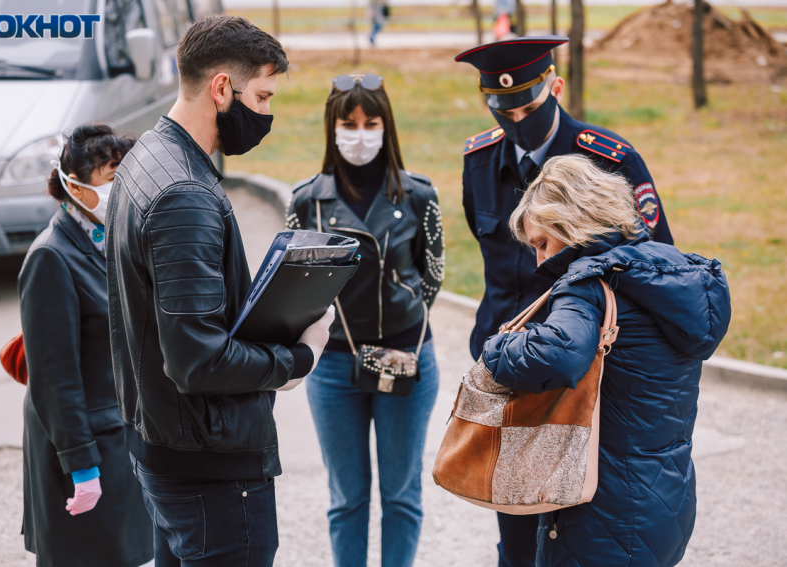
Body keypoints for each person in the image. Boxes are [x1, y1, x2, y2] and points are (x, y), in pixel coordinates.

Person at [106, 15, 334, 566]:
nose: (266, 113)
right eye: (262, 95)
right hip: (208, 467)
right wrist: (297, 358)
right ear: (221, 88)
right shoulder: (184, 192)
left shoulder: (143, 158)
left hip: (162, 444)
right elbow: (197, 360)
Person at [454, 35, 675, 567]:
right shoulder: (481, 160)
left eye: (529, 106)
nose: (517, 120)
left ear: (555, 86)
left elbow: (656, 263)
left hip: (586, 376)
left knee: (577, 529)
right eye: (503, 109)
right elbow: (496, 273)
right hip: (512, 371)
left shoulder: (608, 162)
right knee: (515, 524)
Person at [482, 154, 730, 566]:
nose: (540, 260)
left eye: (542, 243)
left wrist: (497, 347)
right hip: (666, 500)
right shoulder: (668, 273)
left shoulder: (588, 286)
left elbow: (557, 354)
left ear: (569, 219)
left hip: (602, 512)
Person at [286, 73, 444, 567]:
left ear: (385, 126)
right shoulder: (306, 201)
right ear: (331, 128)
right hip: (332, 367)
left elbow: (433, 276)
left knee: (401, 495)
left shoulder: (419, 196)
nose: (359, 134)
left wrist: (400, 325)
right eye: (348, 123)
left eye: (370, 122)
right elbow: (294, 288)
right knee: (346, 499)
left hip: (406, 357)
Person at [18, 124, 153, 567]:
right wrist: (81, 465)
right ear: (73, 184)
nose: (121, 187)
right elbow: (54, 379)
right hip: (81, 446)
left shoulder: (112, 239)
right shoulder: (51, 257)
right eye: (110, 175)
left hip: (119, 437)